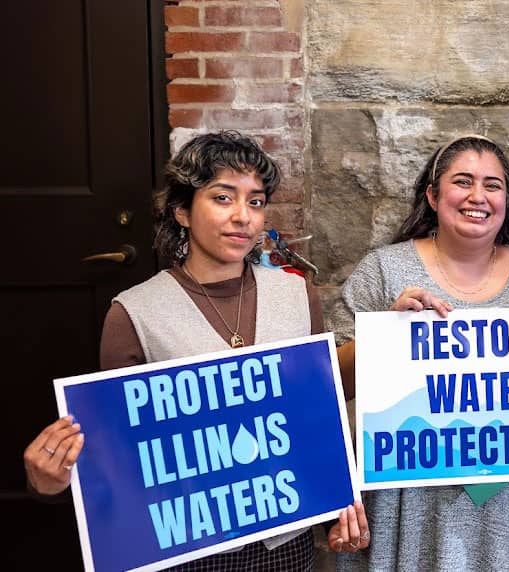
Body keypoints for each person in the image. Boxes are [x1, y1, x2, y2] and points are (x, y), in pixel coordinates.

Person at [23, 131, 369, 570]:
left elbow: (314, 417)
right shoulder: (133, 313)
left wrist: (337, 506)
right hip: (192, 551)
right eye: (223, 198)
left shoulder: (297, 294)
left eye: (256, 202)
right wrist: (48, 483)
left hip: (287, 542)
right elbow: (123, 459)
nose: (243, 217)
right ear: (182, 210)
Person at [329, 134, 509, 571]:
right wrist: (387, 332)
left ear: (507, 200)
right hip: (407, 501)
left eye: (493, 185)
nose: (478, 196)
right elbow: (329, 389)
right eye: (463, 182)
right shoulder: (385, 268)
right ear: (433, 195)